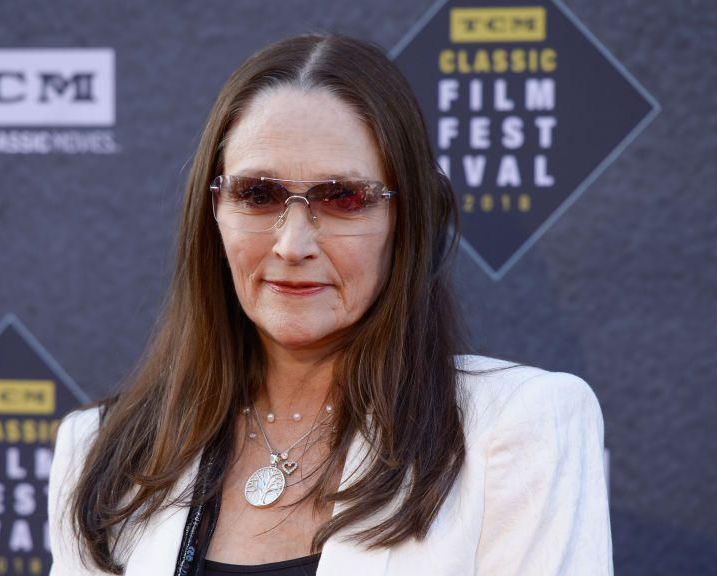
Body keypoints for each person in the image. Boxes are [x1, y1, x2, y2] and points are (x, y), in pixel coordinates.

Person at [47, 33, 612, 575]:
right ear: (212, 212)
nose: (293, 245)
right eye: (258, 194)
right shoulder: (102, 451)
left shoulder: (515, 427)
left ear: (406, 220)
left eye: (343, 198)